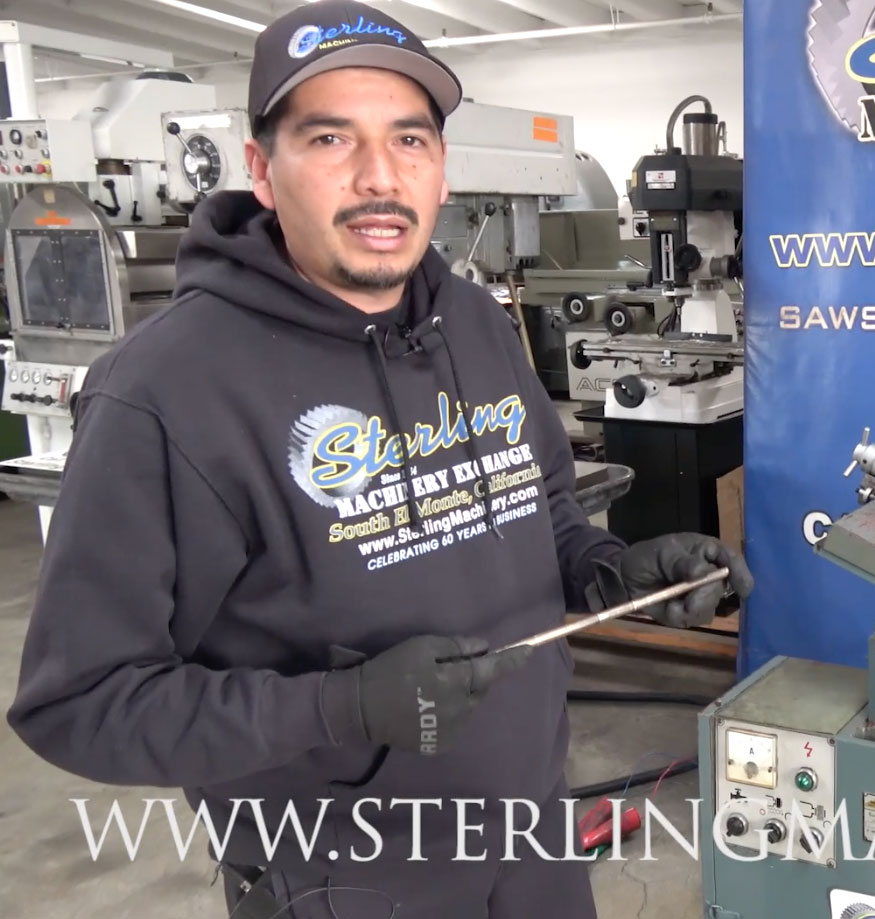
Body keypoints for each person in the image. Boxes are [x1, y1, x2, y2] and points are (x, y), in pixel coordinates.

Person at [4, 1, 753, 916]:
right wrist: (339, 707)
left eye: (409, 140)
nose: (378, 177)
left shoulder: (474, 322)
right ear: (261, 170)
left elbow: (541, 512)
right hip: (346, 880)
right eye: (330, 138)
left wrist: (611, 572)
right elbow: (80, 704)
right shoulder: (163, 392)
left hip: (534, 842)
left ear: (441, 166)